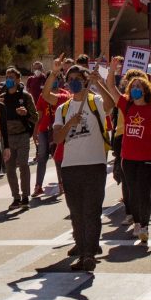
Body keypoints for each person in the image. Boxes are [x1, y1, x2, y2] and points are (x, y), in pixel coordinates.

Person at [92, 67, 151, 244]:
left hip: (147, 159)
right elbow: (111, 87)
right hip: (128, 159)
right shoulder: (126, 106)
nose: (135, 89)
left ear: (146, 91)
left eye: (139, 87)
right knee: (132, 194)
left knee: (144, 193)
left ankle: (144, 226)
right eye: (132, 86)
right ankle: (136, 222)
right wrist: (111, 69)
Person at [53, 64, 113, 272]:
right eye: (71, 79)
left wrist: (99, 84)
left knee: (91, 211)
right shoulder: (64, 108)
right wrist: (70, 123)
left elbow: (111, 104)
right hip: (71, 166)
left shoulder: (94, 101)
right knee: (76, 212)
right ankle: (82, 245)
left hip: (94, 164)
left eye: (78, 78)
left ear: (85, 80)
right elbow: (57, 138)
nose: (74, 82)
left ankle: (89, 254)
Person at [0, 66, 38, 209]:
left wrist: (25, 113)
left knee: (23, 165)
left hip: (22, 136)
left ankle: (25, 196)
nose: (9, 80)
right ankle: (15, 197)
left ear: (18, 80)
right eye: (7, 77)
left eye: (12, 77)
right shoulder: (1, 98)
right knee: (9, 169)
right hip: (7, 138)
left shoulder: (26, 97)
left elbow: (35, 117)